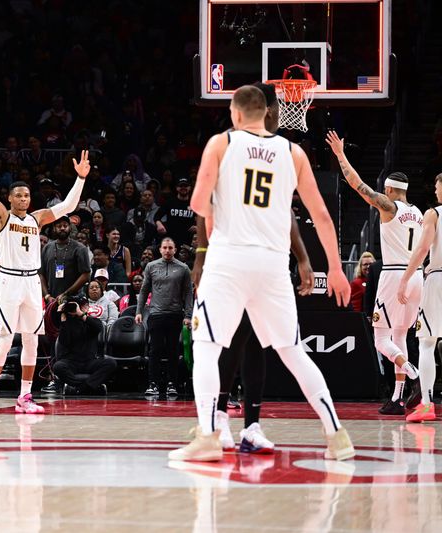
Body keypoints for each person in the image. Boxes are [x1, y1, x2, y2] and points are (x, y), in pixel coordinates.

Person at [172, 85, 354, 463]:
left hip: (229, 259)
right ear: (267, 113)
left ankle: (208, 435)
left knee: (207, 347)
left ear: (236, 115)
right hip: (272, 264)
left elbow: (196, 201)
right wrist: (335, 269)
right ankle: (337, 435)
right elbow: (320, 216)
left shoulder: (221, 143)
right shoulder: (294, 152)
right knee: (293, 352)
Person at [191, 81, 316, 454]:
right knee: (226, 341)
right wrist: (201, 255)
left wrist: (303, 257)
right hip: (230, 259)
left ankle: (252, 424)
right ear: (262, 109)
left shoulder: (283, 152)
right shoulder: (227, 144)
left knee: (257, 344)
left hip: (266, 261)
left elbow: (288, 213)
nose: (277, 113)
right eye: (274, 107)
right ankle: (218, 419)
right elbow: (206, 203)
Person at [0, 130, 91, 414]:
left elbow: (68, 206)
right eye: (19, 195)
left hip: (31, 283)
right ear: (11, 198)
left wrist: (81, 179)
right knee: (4, 338)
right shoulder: (1, 216)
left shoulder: (37, 219)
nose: (24, 198)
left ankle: (25, 396)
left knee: (31, 340)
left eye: (27, 195)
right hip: (9, 280)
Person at [326, 131, 421, 415]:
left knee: (382, 339)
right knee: (401, 337)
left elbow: (358, 186)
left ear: (389, 190)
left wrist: (341, 155)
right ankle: (398, 399)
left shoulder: (388, 206)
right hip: (416, 276)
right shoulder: (417, 211)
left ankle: (413, 373)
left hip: (394, 275)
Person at [397, 173, 442, 422]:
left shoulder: (433, 213)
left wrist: (405, 278)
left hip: (438, 281)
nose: (435, 191)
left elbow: (423, 248)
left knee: (427, 342)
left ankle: (426, 404)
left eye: (436, 187)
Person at [136, 237, 193, 397]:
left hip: (175, 314)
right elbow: (144, 290)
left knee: (173, 351)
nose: (167, 251)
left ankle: (171, 384)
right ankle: (153, 383)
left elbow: (189, 293)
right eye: (165, 248)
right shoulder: (151, 266)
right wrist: (139, 311)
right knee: (155, 350)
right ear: (160, 250)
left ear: (175, 250)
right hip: (156, 314)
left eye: (170, 248)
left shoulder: (183, 268)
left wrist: (188, 315)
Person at [52, 296, 117, 395]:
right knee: (58, 366)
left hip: (90, 361)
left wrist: (81, 314)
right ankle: (87, 387)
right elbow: (64, 342)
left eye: (81, 306)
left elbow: (98, 327)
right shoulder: (67, 323)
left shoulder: (91, 321)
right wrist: (63, 320)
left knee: (111, 363)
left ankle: (79, 387)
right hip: (71, 362)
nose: (78, 308)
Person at [40, 217, 91, 305]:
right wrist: (47, 296)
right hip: (51, 300)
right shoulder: (47, 248)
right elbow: (41, 274)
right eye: (59, 226)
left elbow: (86, 274)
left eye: (65, 225)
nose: (62, 228)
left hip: (74, 299)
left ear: (70, 228)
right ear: (54, 229)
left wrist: (66, 294)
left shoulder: (80, 248)